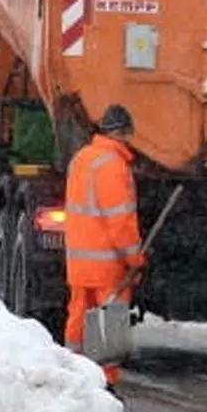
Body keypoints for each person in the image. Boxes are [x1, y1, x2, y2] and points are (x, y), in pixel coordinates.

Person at [63, 104, 146, 395]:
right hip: (107, 263)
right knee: (108, 320)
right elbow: (120, 220)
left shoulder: (82, 159)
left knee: (78, 313)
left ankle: (73, 371)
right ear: (122, 134)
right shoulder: (113, 166)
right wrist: (134, 258)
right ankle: (106, 381)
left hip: (78, 258)